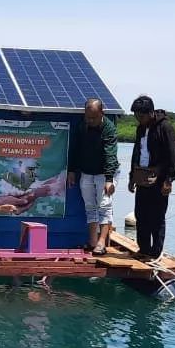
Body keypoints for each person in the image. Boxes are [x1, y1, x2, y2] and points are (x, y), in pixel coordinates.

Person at [127, 95, 175, 260]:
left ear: (150, 113)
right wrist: (131, 177)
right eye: (136, 115)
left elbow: (173, 156)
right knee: (141, 214)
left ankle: (155, 253)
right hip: (142, 176)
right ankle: (144, 249)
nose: (138, 118)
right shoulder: (140, 128)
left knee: (157, 216)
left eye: (140, 115)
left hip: (160, 178)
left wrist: (169, 180)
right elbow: (137, 152)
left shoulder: (165, 127)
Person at [67, 98, 119, 255]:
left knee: (104, 205)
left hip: (105, 172)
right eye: (87, 117)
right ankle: (92, 242)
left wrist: (109, 179)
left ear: (102, 113)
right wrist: (71, 170)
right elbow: (74, 149)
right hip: (87, 171)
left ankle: (102, 243)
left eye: (93, 118)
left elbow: (110, 154)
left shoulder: (109, 128)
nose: (90, 120)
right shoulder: (82, 126)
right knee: (90, 206)